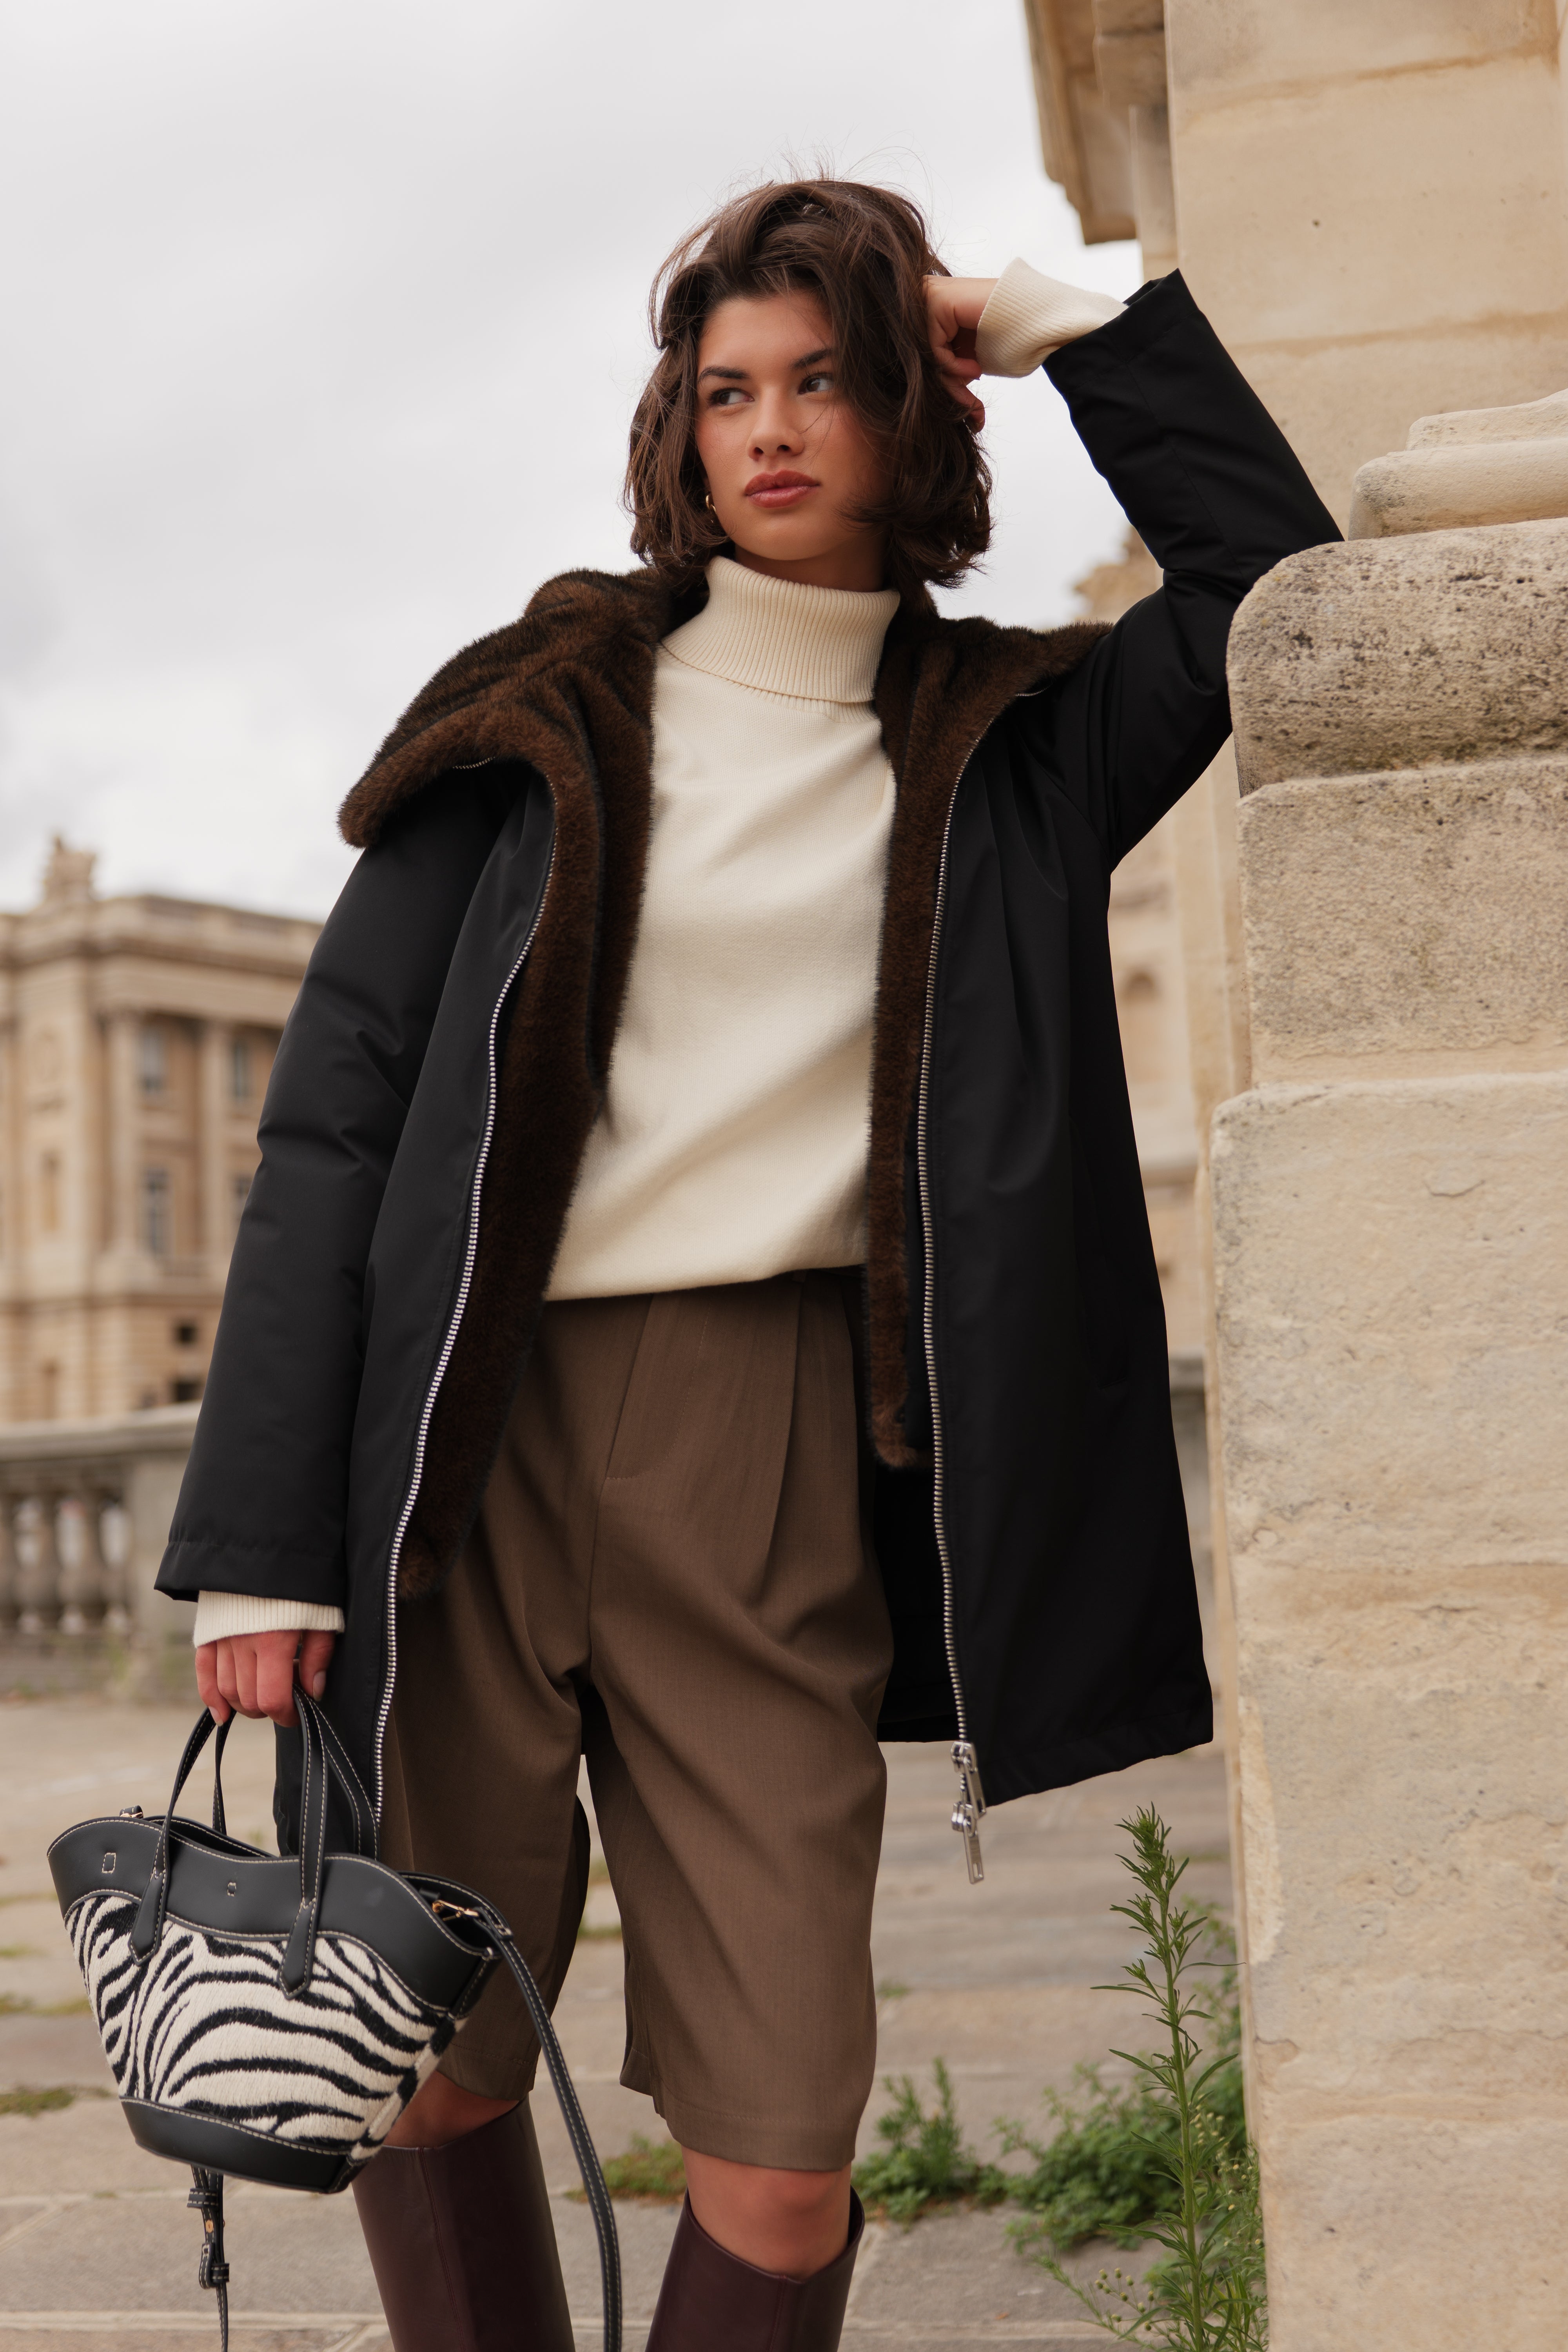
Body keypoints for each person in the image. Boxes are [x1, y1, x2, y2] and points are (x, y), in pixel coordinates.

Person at [160, 177, 1338, 2349]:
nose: (767, 431)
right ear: (677, 431)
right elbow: (333, 1123)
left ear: (911, 405)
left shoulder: (1017, 747)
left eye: (820, 381)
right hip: (470, 1447)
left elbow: (1279, 587)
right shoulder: (534, 713)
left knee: (788, 2146)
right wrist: (259, 1546)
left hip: (778, 1459)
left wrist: (1074, 323)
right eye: (724, 391)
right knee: (422, 2060)